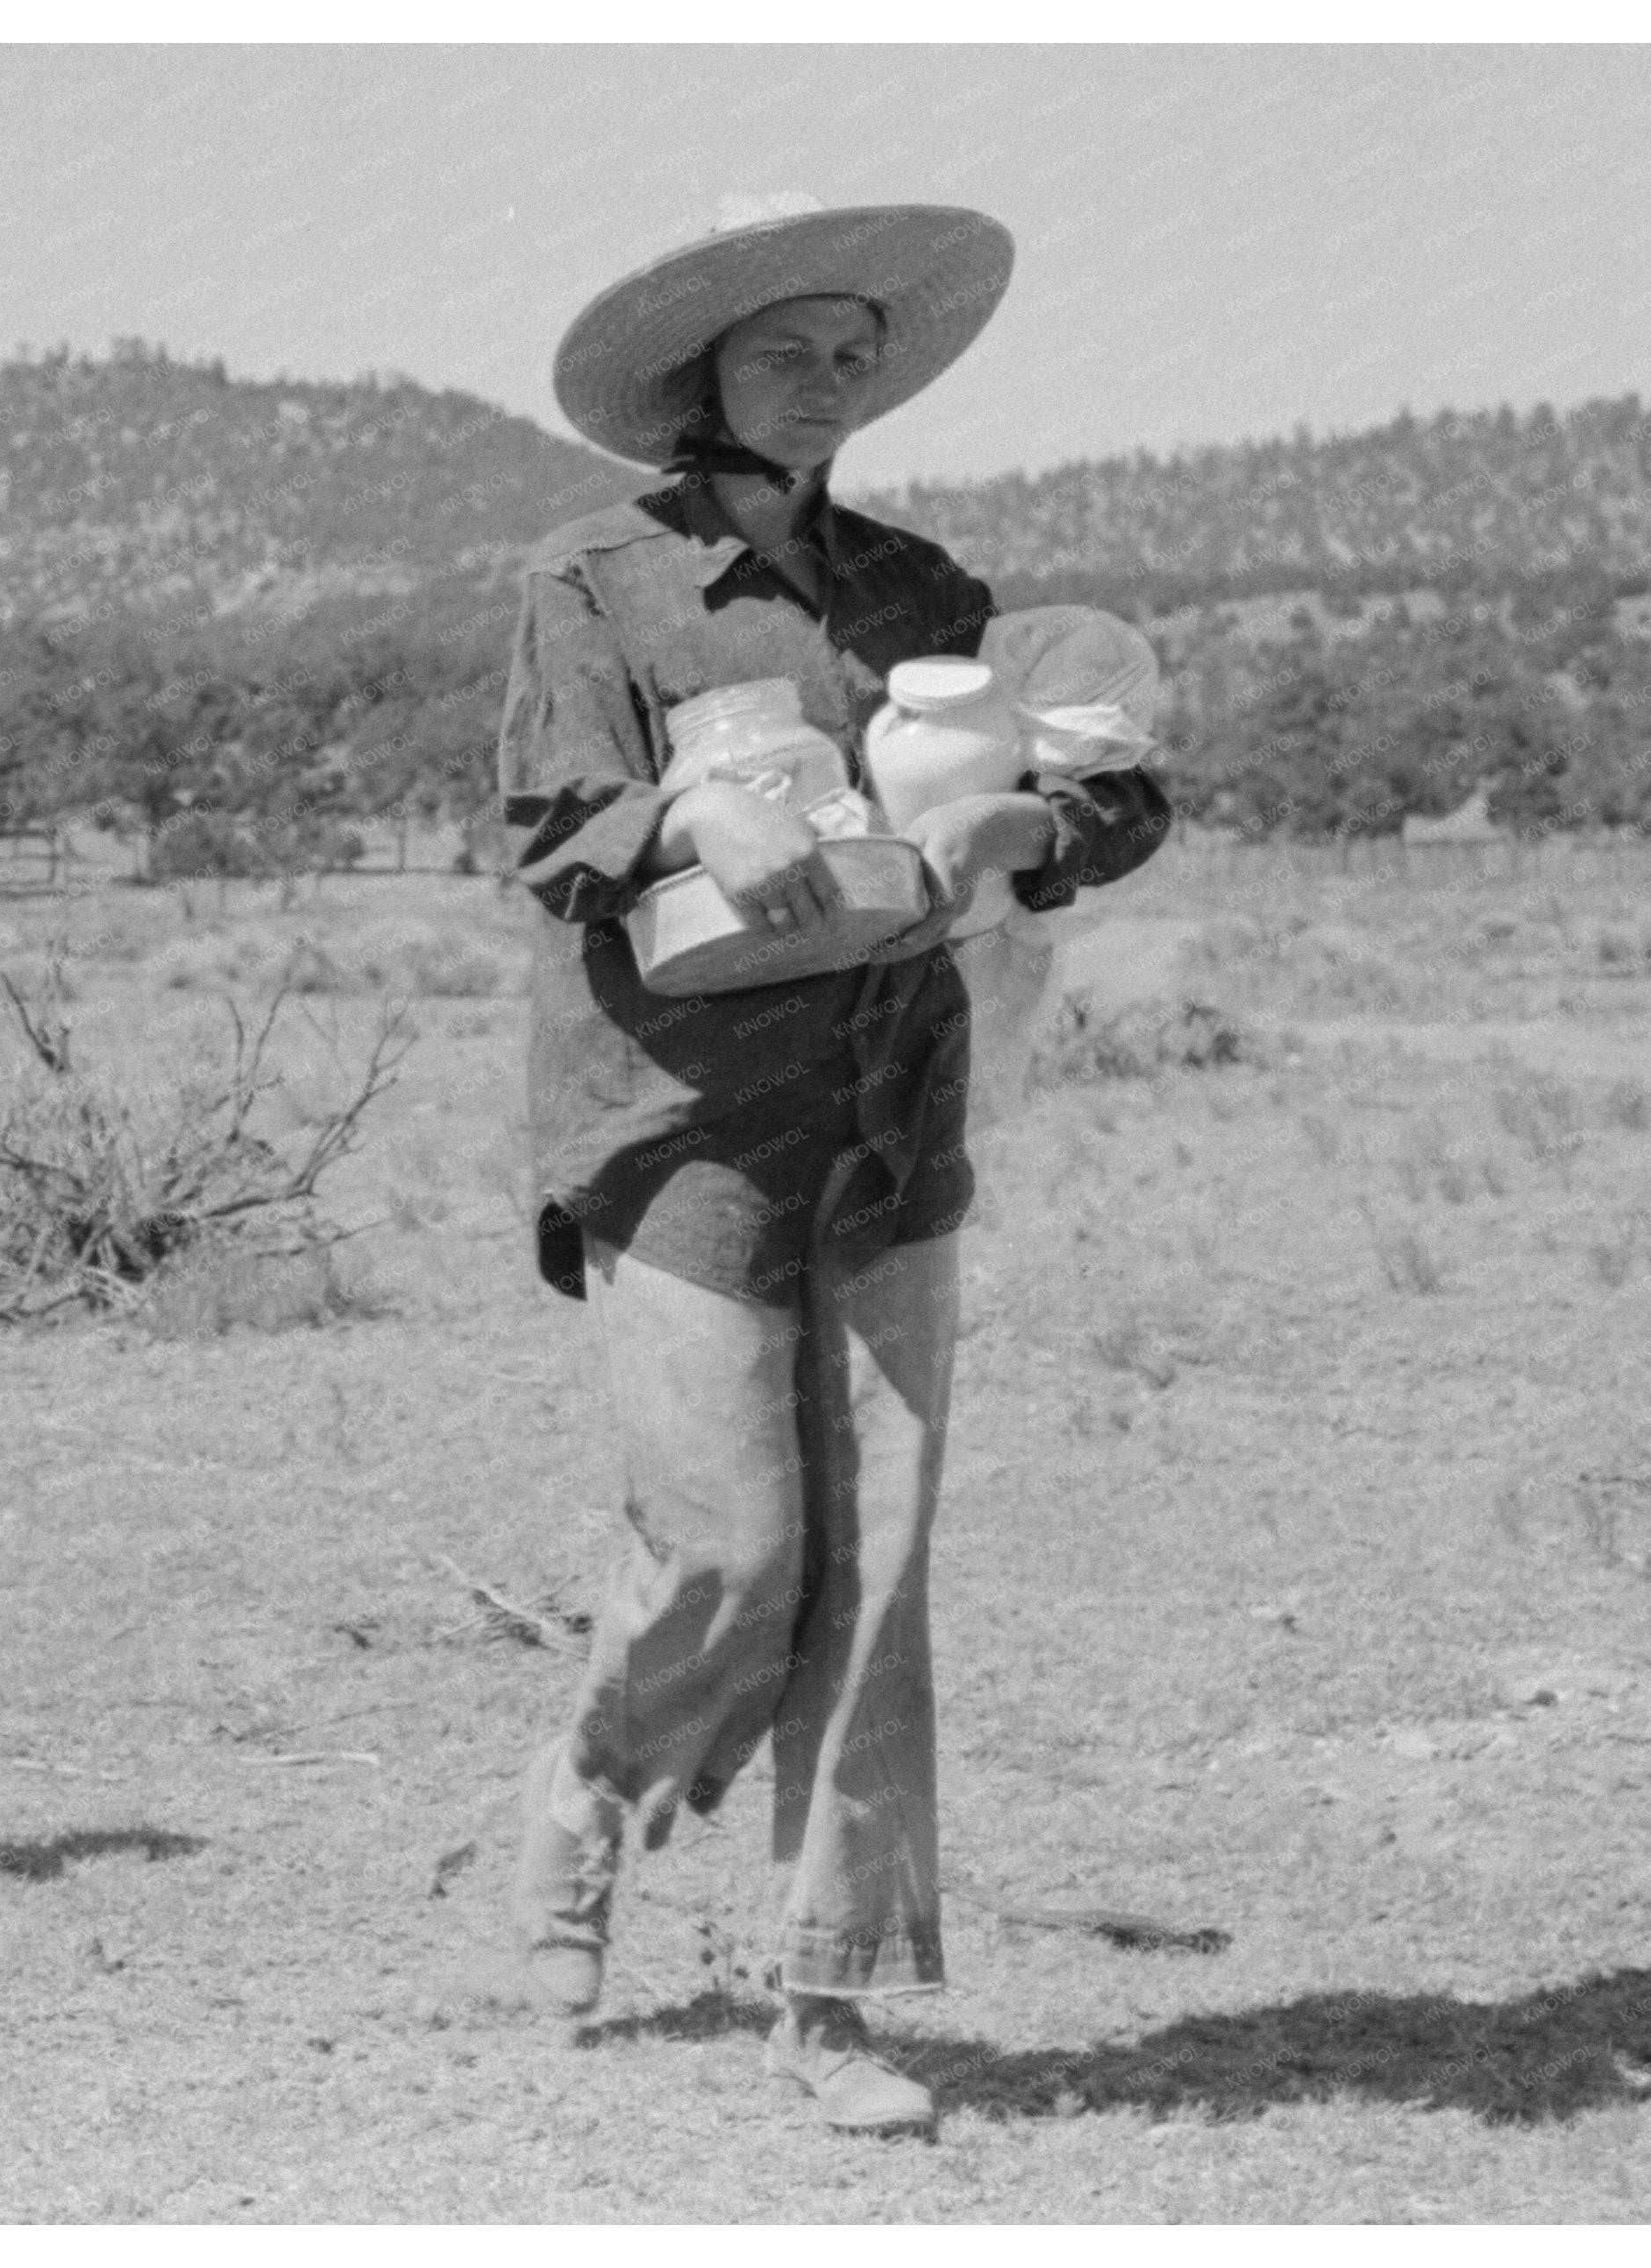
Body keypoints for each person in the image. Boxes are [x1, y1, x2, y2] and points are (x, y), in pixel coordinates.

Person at [495, 201, 1171, 2133]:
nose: (824, 382)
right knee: (727, 1547)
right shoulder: (593, 579)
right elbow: (548, 819)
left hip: (892, 1102)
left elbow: (1103, 792)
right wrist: (681, 812)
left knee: (872, 1567)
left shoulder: (919, 587)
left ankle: (830, 2000)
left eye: (850, 354)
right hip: (677, 1117)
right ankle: (585, 1806)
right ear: (700, 375)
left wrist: (1024, 829)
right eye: (785, 351)